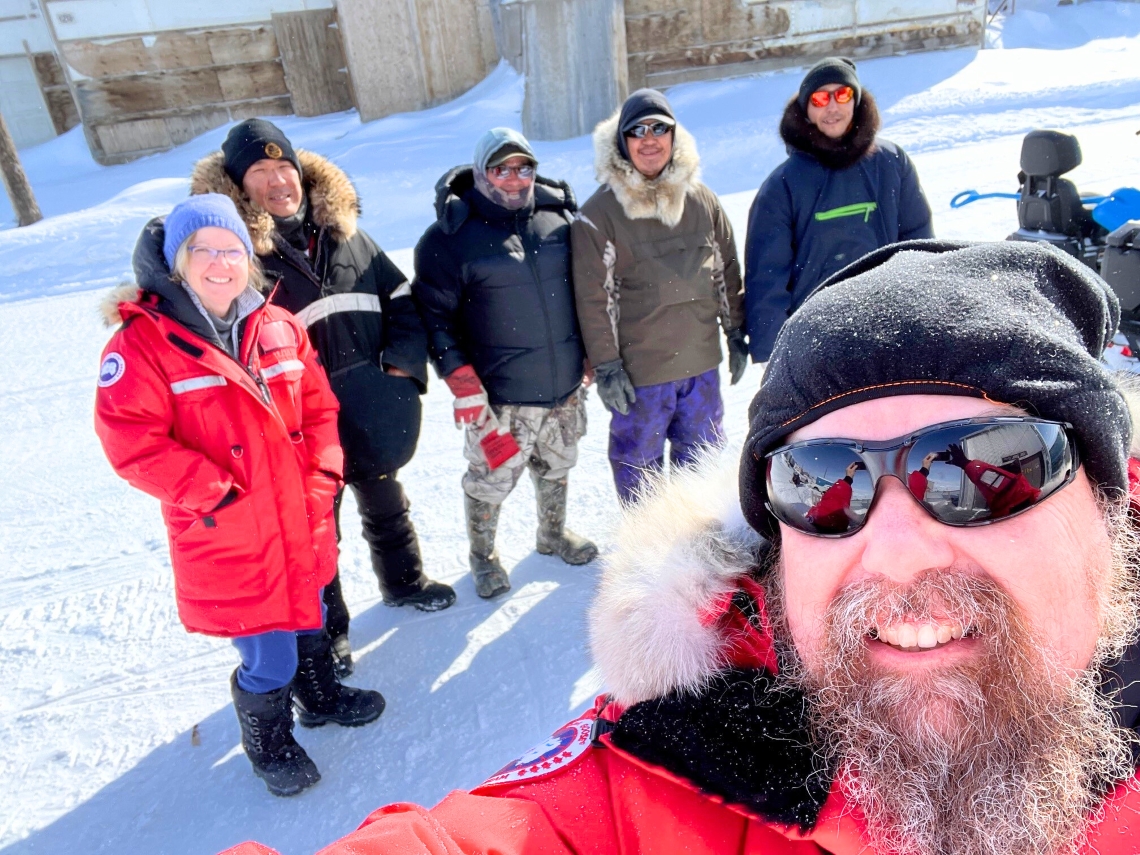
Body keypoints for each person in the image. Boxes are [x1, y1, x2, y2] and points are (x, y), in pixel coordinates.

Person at [243, 239, 1140, 852]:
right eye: (823, 484)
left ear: (1107, 506)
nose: (898, 549)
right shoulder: (675, 766)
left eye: (983, 470)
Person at [95, 195, 385, 798]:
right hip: (232, 531)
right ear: (178, 261)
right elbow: (131, 440)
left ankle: (322, 697)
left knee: (313, 617)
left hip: (300, 516)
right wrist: (214, 493)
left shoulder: (278, 325)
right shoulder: (143, 344)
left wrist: (322, 477)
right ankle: (269, 744)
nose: (221, 263)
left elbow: (319, 409)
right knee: (268, 652)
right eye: (205, 250)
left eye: (233, 249)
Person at [189, 119, 455, 676]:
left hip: (370, 397)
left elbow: (403, 300)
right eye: (259, 172)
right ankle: (329, 633)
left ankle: (404, 583)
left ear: (301, 171)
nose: (277, 180)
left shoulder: (347, 233)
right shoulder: (237, 258)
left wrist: (402, 371)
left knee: (385, 497)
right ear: (239, 187)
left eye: (283, 166)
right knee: (314, 529)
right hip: (300, 422)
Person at [413, 128, 597, 599]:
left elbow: (589, 293)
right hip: (500, 397)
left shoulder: (561, 220)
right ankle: (483, 557)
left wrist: (594, 351)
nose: (514, 179)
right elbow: (436, 322)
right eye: (501, 168)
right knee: (490, 480)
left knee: (557, 465)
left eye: (524, 167)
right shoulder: (448, 240)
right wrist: (462, 384)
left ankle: (552, 535)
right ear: (480, 173)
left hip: (564, 386)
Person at [572, 89, 747, 505]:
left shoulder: (702, 201)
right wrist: (607, 365)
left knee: (701, 466)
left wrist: (736, 331)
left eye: (659, 128)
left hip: (701, 367)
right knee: (639, 469)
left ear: (673, 136)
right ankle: (645, 549)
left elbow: (725, 269)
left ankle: (696, 550)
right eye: (637, 131)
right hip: (641, 377)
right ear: (622, 143)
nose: (649, 139)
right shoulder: (599, 216)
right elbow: (593, 298)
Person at [744, 57, 934, 362]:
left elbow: (919, 242)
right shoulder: (783, 184)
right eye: (820, 98)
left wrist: (924, 313)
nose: (832, 107)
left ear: (856, 102)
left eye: (842, 95)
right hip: (813, 338)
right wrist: (772, 351)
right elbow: (767, 274)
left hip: (887, 325)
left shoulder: (891, 163)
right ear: (806, 110)